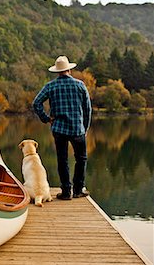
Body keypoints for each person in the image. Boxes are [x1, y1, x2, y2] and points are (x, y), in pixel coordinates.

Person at [33, 56, 92, 200]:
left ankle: (66, 192)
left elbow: (36, 103)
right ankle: (78, 190)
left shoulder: (50, 86)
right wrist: (85, 127)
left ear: (57, 72)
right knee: (81, 159)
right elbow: (87, 109)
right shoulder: (80, 85)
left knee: (62, 160)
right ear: (69, 70)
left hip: (59, 129)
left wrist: (46, 119)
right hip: (78, 129)